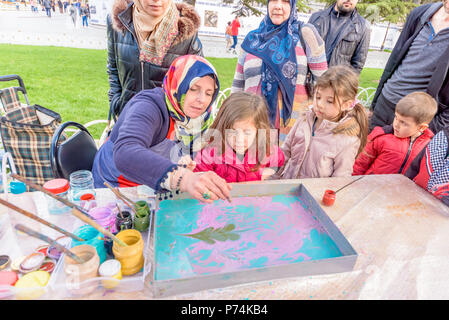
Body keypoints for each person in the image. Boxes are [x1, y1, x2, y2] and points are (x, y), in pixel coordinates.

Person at [92, 55, 231, 203]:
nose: (201, 99)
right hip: (115, 186)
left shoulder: (198, 119)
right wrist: (183, 178)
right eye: (193, 89)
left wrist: (181, 163)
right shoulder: (148, 106)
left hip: (153, 184)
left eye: (209, 93)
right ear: (178, 84)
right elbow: (125, 152)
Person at [231, 0, 327, 143]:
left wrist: (319, 123)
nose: (278, 6)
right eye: (274, 0)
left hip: (294, 131)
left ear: (293, 5)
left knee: (288, 164)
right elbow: (238, 87)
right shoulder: (252, 39)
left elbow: (324, 84)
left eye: (285, 1)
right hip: (251, 130)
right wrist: (231, 119)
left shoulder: (306, 33)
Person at [107, 0, 203, 120]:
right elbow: (113, 67)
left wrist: (176, 120)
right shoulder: (120, 19)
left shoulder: (186, 27)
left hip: (165, 128)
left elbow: (198, 82)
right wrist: (116, 104)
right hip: (126, 119)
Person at [273, 66, 368, 179]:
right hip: (287, 187)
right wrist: (272, 179)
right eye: (318, 97)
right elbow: (285, 151)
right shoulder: (304, 119)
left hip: (313, 195)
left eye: (329, 101)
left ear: (346, 105)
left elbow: (340, 179)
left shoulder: (347, 140)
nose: (320, 104)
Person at [370, 0, 449, 134]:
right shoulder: (421, 13)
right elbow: (394, 59)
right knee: (365, 152)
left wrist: (431, 128)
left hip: (414, 119)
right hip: (385, 102)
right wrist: (375, 102)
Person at [193, 92, 285, 182]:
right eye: (232, 131)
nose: (239, 140)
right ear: (223, 127)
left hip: (255, 196)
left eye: (247, 132)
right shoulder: (209, 153)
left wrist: (266, 172)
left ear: (259, 130)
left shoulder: (265, 148)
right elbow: (198, 178)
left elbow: (278, 161)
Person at [353, 92, 437, 176]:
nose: (396, 124)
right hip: (370, 186)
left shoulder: (429, 147)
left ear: (422, 127)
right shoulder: (381, 137)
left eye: (403, 123)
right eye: (396, 118)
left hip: (401, 188)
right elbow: (360, 164)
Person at [308, 0, 370, 73]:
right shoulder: (316, 17)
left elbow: (358, 65)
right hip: (312, 80)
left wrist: (345, 83)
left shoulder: (363, 26)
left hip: (336, 82)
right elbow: (304, 50)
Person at [406, 126, 449, 206]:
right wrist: (405, 185)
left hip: (438, 212)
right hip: (413, 197)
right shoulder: (442, 135)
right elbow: (415, 167)